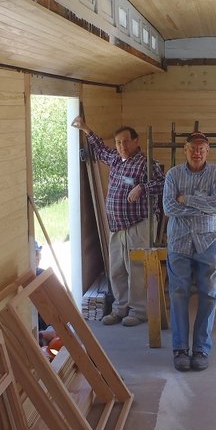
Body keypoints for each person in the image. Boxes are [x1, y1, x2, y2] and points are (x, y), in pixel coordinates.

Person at [72, 116, 165, 326]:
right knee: (117, 270)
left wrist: (142, 187)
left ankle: (139, 312)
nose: (121, 146)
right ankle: (120, 309)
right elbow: (100, 149)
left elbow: (164, 184)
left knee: (137, 269)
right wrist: (86, 129)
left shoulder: (146, 163)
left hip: (139, 225)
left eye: (125, 141)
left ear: (136, 141)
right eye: (118, 142)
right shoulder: (115, 159)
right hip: (116, 226)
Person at [162, 131, 216, 371]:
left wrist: (186, 198)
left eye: (202, 148)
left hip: (209, 243)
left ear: (208, 151)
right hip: (179, 243)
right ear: (185, 150)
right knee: (178, 294)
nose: (197, 152)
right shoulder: (173, 175)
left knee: (209, 294)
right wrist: (202, 205)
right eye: (193, 148)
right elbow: (169, 207)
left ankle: (201, 349)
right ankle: (180, 349)